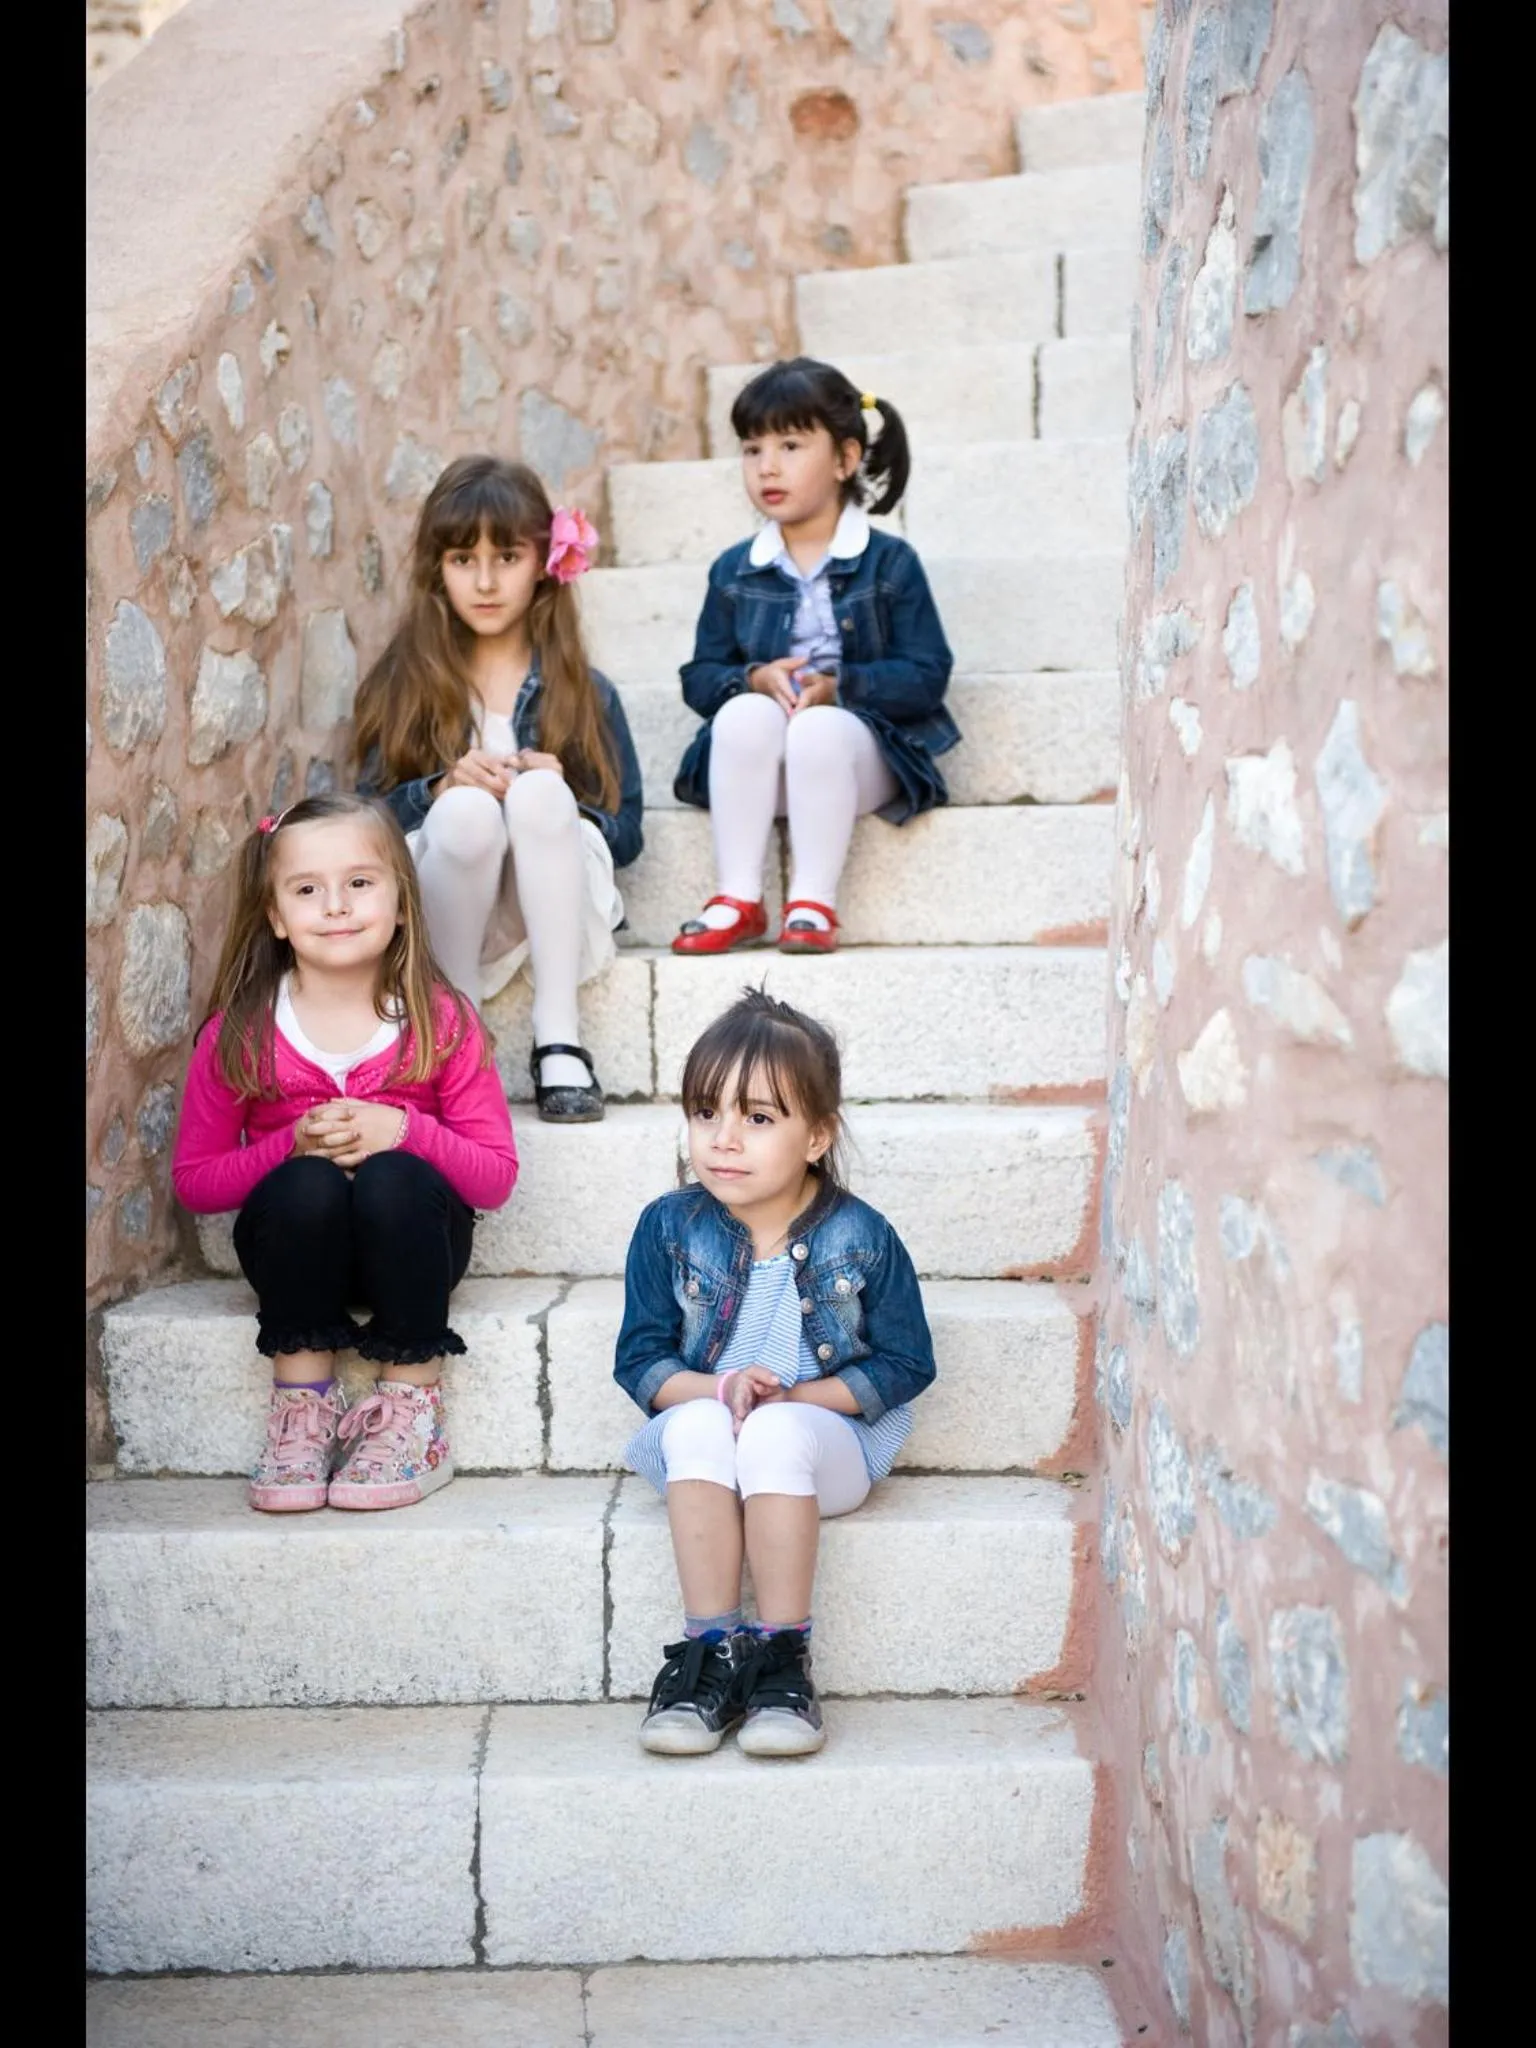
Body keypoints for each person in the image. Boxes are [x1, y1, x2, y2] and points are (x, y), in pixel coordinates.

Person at [171, 795, 518, 1514]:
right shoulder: (240, 1033)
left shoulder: (441, 1019)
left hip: (414, 1242)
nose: (335, 905)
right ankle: (301, 1413)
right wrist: (288, 1147)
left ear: (400, 903)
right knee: (305, 1187)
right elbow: (197, 1183)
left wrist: (403, 1131)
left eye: (360, 883)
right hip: (297, 1248)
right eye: (306, 889)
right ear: (274, 916)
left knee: (393, 1178)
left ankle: (411, 1410)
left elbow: (495, 1177)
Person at [613, 987, 936, 1757]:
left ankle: (783, 1657)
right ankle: (711, 1654)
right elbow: (641, 1361)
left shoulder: (861, 1236)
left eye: (758, 1118)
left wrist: (792, 1394)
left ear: (817, 1135)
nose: (724, 1138)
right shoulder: (668, 1228)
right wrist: (723, 1388)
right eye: (704, 1112)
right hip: (708, 1450)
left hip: (822, 1452)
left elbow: (906, 1361)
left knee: (776, 1430)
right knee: (696, 1420)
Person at [354, 455, 643, 1122]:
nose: (484, 581)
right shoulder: (405, 684)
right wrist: (441, 785)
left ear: (543, 562)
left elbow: (628, 837)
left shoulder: (587, 693)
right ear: (438, 569)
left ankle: (559, 1037)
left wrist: (565, 793)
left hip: (556, 898)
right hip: (454, 897)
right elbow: (366, 824)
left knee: (540, 797)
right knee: (464, 811)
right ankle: (455, 1032)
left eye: (506, 557)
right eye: (463, 559)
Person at [671, 356, 959, 957]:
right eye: (752, 450)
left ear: (846, 459)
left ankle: (812, 902)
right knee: (742, 714)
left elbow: (927, 676)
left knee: (820, 730)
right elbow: (700, 677)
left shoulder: (890, 563)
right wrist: (752, 678)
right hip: (762, 775)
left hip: (854, 764)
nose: (767, 466)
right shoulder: (733, 569)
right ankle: (739, 897)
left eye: (791, 445)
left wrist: (840, 685)